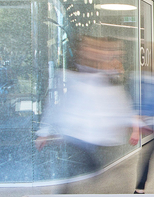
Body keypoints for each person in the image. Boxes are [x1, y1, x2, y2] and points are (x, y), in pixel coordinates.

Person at [35, 36, 139, 183]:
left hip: (97, 138)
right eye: (89, 48)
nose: (94, 52)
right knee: (75, 174)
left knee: (92, 172)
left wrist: (134, 127)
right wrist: (44, 132)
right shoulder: (71, 76)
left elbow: (122, 104)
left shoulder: (106, 79)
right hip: (76, 136)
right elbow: (54, 105)